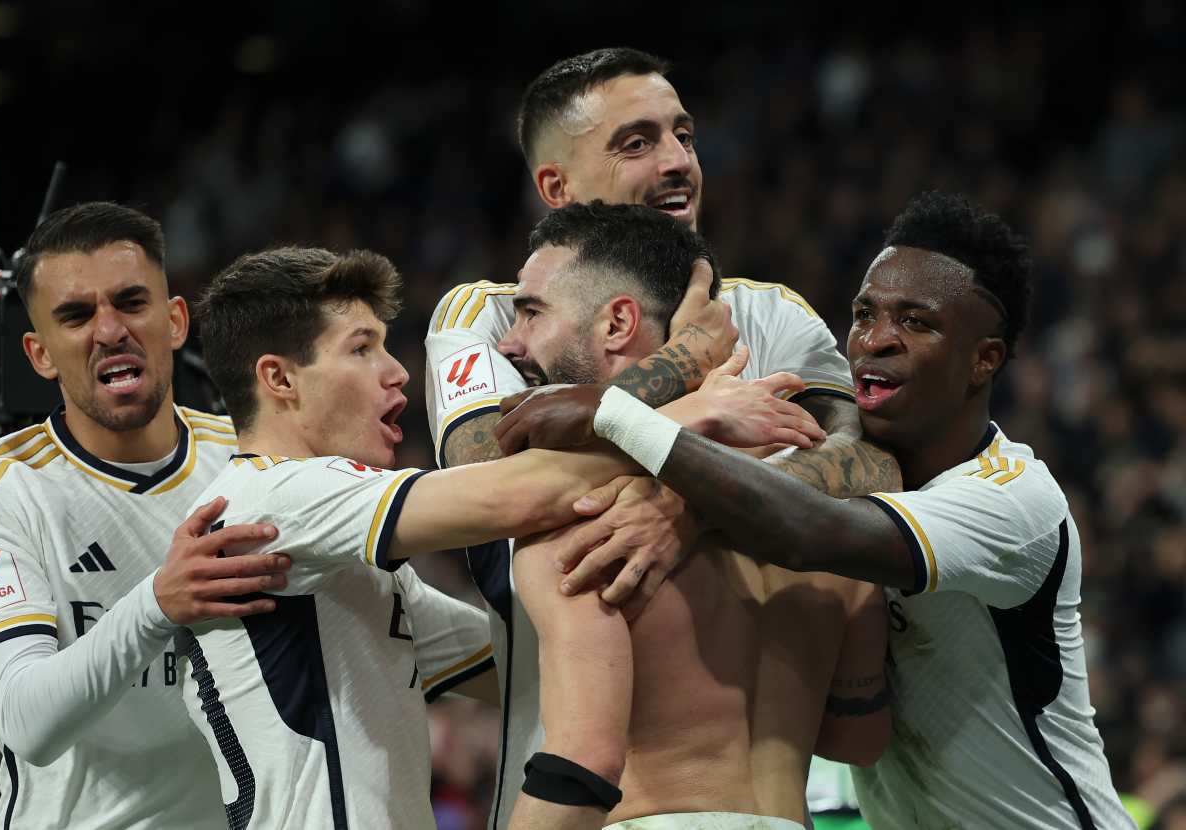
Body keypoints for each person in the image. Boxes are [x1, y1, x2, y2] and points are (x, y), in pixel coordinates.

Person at [494, 191, 1136, 830]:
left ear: (984, 359)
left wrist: (616, 416)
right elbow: (858, 735)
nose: (876, 340)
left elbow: (805, 529)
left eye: (916, 321)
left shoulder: (1009, 499)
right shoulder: (848, 474)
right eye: (864, 313)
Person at [422, 47, 901, 828]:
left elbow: (876, 469)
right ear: (556, 186)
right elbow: (485, 470)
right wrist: (686, 375)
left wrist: (699, 505)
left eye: (686, 136)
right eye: (637, 142)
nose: (679, 161)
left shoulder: (774, 315)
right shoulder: (494, 315)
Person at [184, 244, 788, 829]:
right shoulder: (274, 498)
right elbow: (512, 490)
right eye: (362, 349)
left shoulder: (348, 576)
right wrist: (690, 417)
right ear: (279, 380)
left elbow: (521, 660)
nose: (398, 373)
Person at [492, 201, 890, 830]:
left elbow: (582, 764)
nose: (507, 343)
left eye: (532, 313)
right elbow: (858, 739)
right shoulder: (821, 509)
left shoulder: (585, 512)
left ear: (617, 324)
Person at [0, 202, 292, 829]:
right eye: (76, 315)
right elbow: (23, 722)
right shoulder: (4, 486)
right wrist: (158, 603)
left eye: (131, 302)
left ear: (176, 321)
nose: (109, 330)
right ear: (39, 354)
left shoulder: (255, 455)